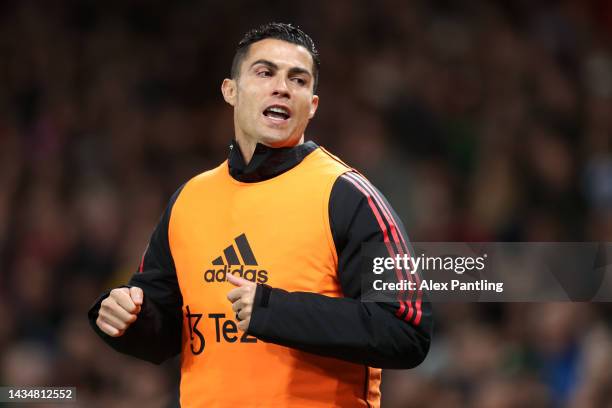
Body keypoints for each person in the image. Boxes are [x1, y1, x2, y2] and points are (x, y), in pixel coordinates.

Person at [88, 22, 432, 408]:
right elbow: (166, 330)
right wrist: (128, 320)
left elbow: (405, 330)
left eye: (298, 80)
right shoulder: (189, 200)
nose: (282, 87)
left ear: (312, 105)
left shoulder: (349, 197)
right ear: (230, 91)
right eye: (265, 72)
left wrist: (274, 310)